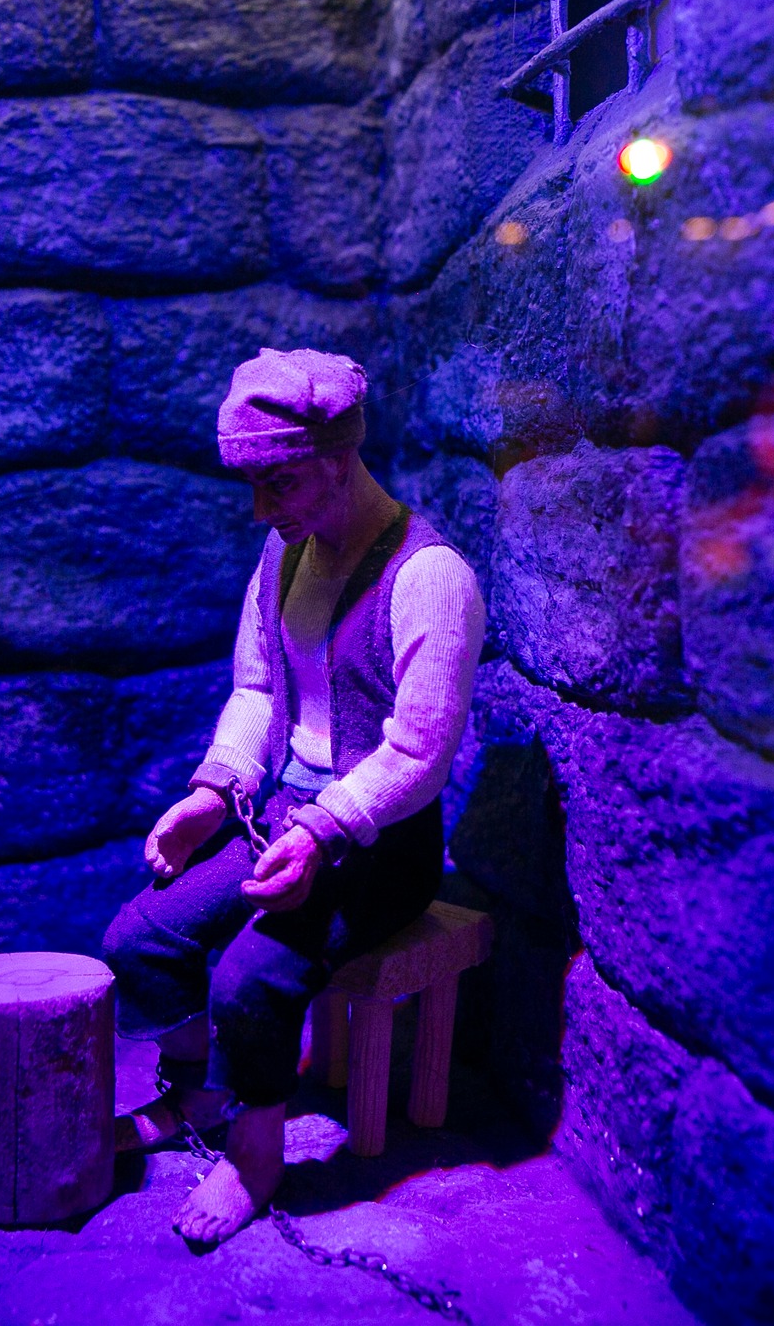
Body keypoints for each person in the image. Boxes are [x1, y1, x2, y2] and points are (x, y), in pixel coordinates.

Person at [102, 346, 486, 1246]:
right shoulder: (283, 556)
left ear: (339, 457)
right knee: (143, 935)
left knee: (251, 978)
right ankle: (197, 1092)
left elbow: (418, 754)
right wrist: (216, 789)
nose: (262, 508)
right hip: (280, 814)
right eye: (254, 485)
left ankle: (254, 1154)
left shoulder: (432, 578)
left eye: (279, 482)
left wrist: (321, 829)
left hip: (379, 843)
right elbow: (257, 690)